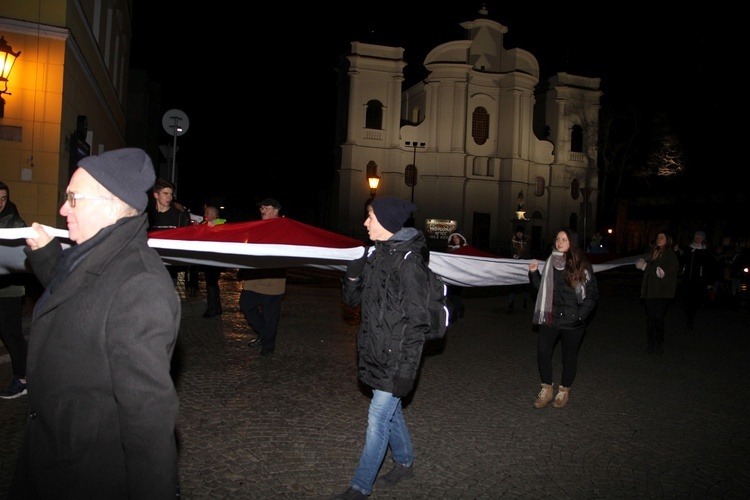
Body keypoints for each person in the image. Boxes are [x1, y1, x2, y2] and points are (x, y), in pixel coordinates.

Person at [10, 148, 180, 498]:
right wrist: (46, 256)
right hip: (53, 456)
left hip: (85, 476)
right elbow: (80, 297)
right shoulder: (94, 252)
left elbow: (147, 418)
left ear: (110, 204)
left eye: (73, 198)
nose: (62, 209)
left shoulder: (141, 285)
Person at [338, 196, 429, 499]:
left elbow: (418, 323)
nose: (365, 223)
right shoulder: (376, 255)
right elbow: (353, 301)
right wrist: (352, 274)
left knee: (378, 418)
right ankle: (404, 460)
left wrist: (406, 371)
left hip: (396, 357)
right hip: (375, 350)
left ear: (387, 223)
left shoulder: (409, 264)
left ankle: (360, 486)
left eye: (370, 218)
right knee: (392, 412)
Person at [528, 229, 598, 409]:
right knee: (543, 353)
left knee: (569, 357)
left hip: (572, 321)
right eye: (558, 239)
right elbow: (540, 289)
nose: (559, 242)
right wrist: (534, 273)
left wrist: (581, 315)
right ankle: (546, 388)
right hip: (550, 316)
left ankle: (564, 391)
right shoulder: (550, 261)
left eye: (564, 239)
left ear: (572, 242)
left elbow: (592, 294)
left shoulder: (582, 265)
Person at [240, 198, 286, 356]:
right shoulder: (257, 226)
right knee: (245, 304)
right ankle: (265, 335)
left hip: (273, 278)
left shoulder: (285, 227)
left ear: (276, 210)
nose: (262, 211)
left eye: (266, 208)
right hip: (254, 276)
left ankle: (268, 346)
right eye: (261, 208)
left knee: (270, 314)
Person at [0, 181, 30, 400]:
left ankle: (23, 379)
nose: (0, 203)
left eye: (3, 198)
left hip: (8, 289)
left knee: (12, 334)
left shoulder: (14, 222)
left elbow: (24, 255)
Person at [635, 230, 679, 354]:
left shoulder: (669, 255)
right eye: (658, 237)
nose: (658, 239)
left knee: (658, 319)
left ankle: (659, 342)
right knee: (650, 320)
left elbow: (661, 273)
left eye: (662, 237)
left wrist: (645, 267)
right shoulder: (654, 253)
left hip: (662, 293)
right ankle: (651, 344)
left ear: (668, 240)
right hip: (651, 293)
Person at [147, 178, 191, 286]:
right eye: (165, 193)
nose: (169, 197)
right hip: (150, 267)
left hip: (170, 270)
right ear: (156, 195)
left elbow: (188, 235)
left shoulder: (179, 215)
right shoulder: (148, 215)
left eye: (171, 194)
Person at [675, 230, 716, 329]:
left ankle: (690, 319)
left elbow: (710, 267)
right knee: (685, 299)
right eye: (696, 237)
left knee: (694, 300)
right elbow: (682, 261)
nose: (697, 239)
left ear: (703, 239)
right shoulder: (689, 249)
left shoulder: (706, 251)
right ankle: (689, 314)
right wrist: (677, 252)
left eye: (699, 237)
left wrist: (709, 282)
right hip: (686, 279)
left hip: (698, 281)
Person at [201, 205, 226, 318]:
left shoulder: (221, 224)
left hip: (215, 259)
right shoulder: (204, 224)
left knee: (211, 283)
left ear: (214, 215)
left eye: (207, 213)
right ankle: (217, 308)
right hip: (209, 259)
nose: (205, 215)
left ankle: (212, 309)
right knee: (212, 283)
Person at [508, 225, 531, 311]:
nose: (519, 234)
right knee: (513, 284)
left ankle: (525, 300)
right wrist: (515, 256)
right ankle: (511, 302)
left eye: (520, 232)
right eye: (518, 232)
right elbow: (512, 251)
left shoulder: (526, 241)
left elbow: (528, 252)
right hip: (515, 265)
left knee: (524, 284)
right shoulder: (513, 241)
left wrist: (524, 257)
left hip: (523, 265)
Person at [445, 231, 467, 321]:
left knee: (456, 294)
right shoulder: (449, 249)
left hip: (461, 275)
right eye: (453, 238)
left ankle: (455, 314)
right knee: (450, 294)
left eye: (457, 237)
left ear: (461, 238)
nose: (455, 239)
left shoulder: (465, 249)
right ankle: (460, 307)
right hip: (450, 274)